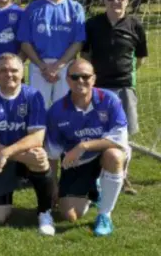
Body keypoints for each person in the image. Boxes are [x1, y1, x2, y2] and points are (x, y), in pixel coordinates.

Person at [46, 59, 129, 237]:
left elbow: (119, 140)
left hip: (104, 154)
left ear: (94, 79)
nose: (80, 81)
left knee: (114, 155)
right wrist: (53, 186)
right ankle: (96, 188)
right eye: (75, 77)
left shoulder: (110, 100)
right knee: (69, 215)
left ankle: (104, 215)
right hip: (78, 163)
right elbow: (52, 154)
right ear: (67, 80)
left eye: (85, 76)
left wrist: (84, 146)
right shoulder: (56, 111)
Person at [0, 53, 55, 235]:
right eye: (3, 70)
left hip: (11, 156)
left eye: (14, 70)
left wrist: (6, 153)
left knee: (40, 157)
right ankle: (5, 191)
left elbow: (37, 138)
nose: (9, 74)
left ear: (22, 73)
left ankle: (45, 212)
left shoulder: (34, 96)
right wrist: (5, 155)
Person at [82, 0, 147, 195]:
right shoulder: (92, 24)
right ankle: (98, 177)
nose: (115, 2)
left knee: (123, 134)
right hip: (99, 88)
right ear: (104, 1)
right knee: (98, 132)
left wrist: (125, 75)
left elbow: (141, 58)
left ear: (127, 1)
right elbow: (85, 55)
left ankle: (122, 176)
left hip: (125, 87)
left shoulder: (135, 25)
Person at [18, 0, 86, 107]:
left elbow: (78, 41)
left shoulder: (75, 8)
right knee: (38, 110)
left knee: (65, 111)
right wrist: (43, 66)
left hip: (66, 66)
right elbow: (25, 42)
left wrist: (58, 66)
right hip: (38, 67)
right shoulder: (32, 8)